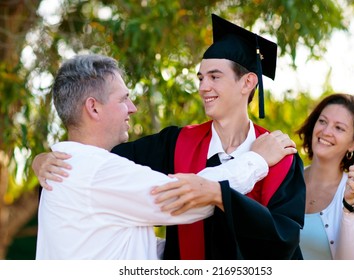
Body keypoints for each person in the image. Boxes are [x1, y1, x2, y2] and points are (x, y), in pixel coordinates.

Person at [33, 14, 306, 260]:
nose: (202, 87)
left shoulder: (280, 155)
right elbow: (91, 155)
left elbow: (285, 239)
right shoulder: (174, 144)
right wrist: (44, 159)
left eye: (214, 77)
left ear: (247, 83)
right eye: (201, 78)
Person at [296, 93, 354, 260]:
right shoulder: (286, 178)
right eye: (323, 121)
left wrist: (350, 205)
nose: (326, 131)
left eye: (339, 128)